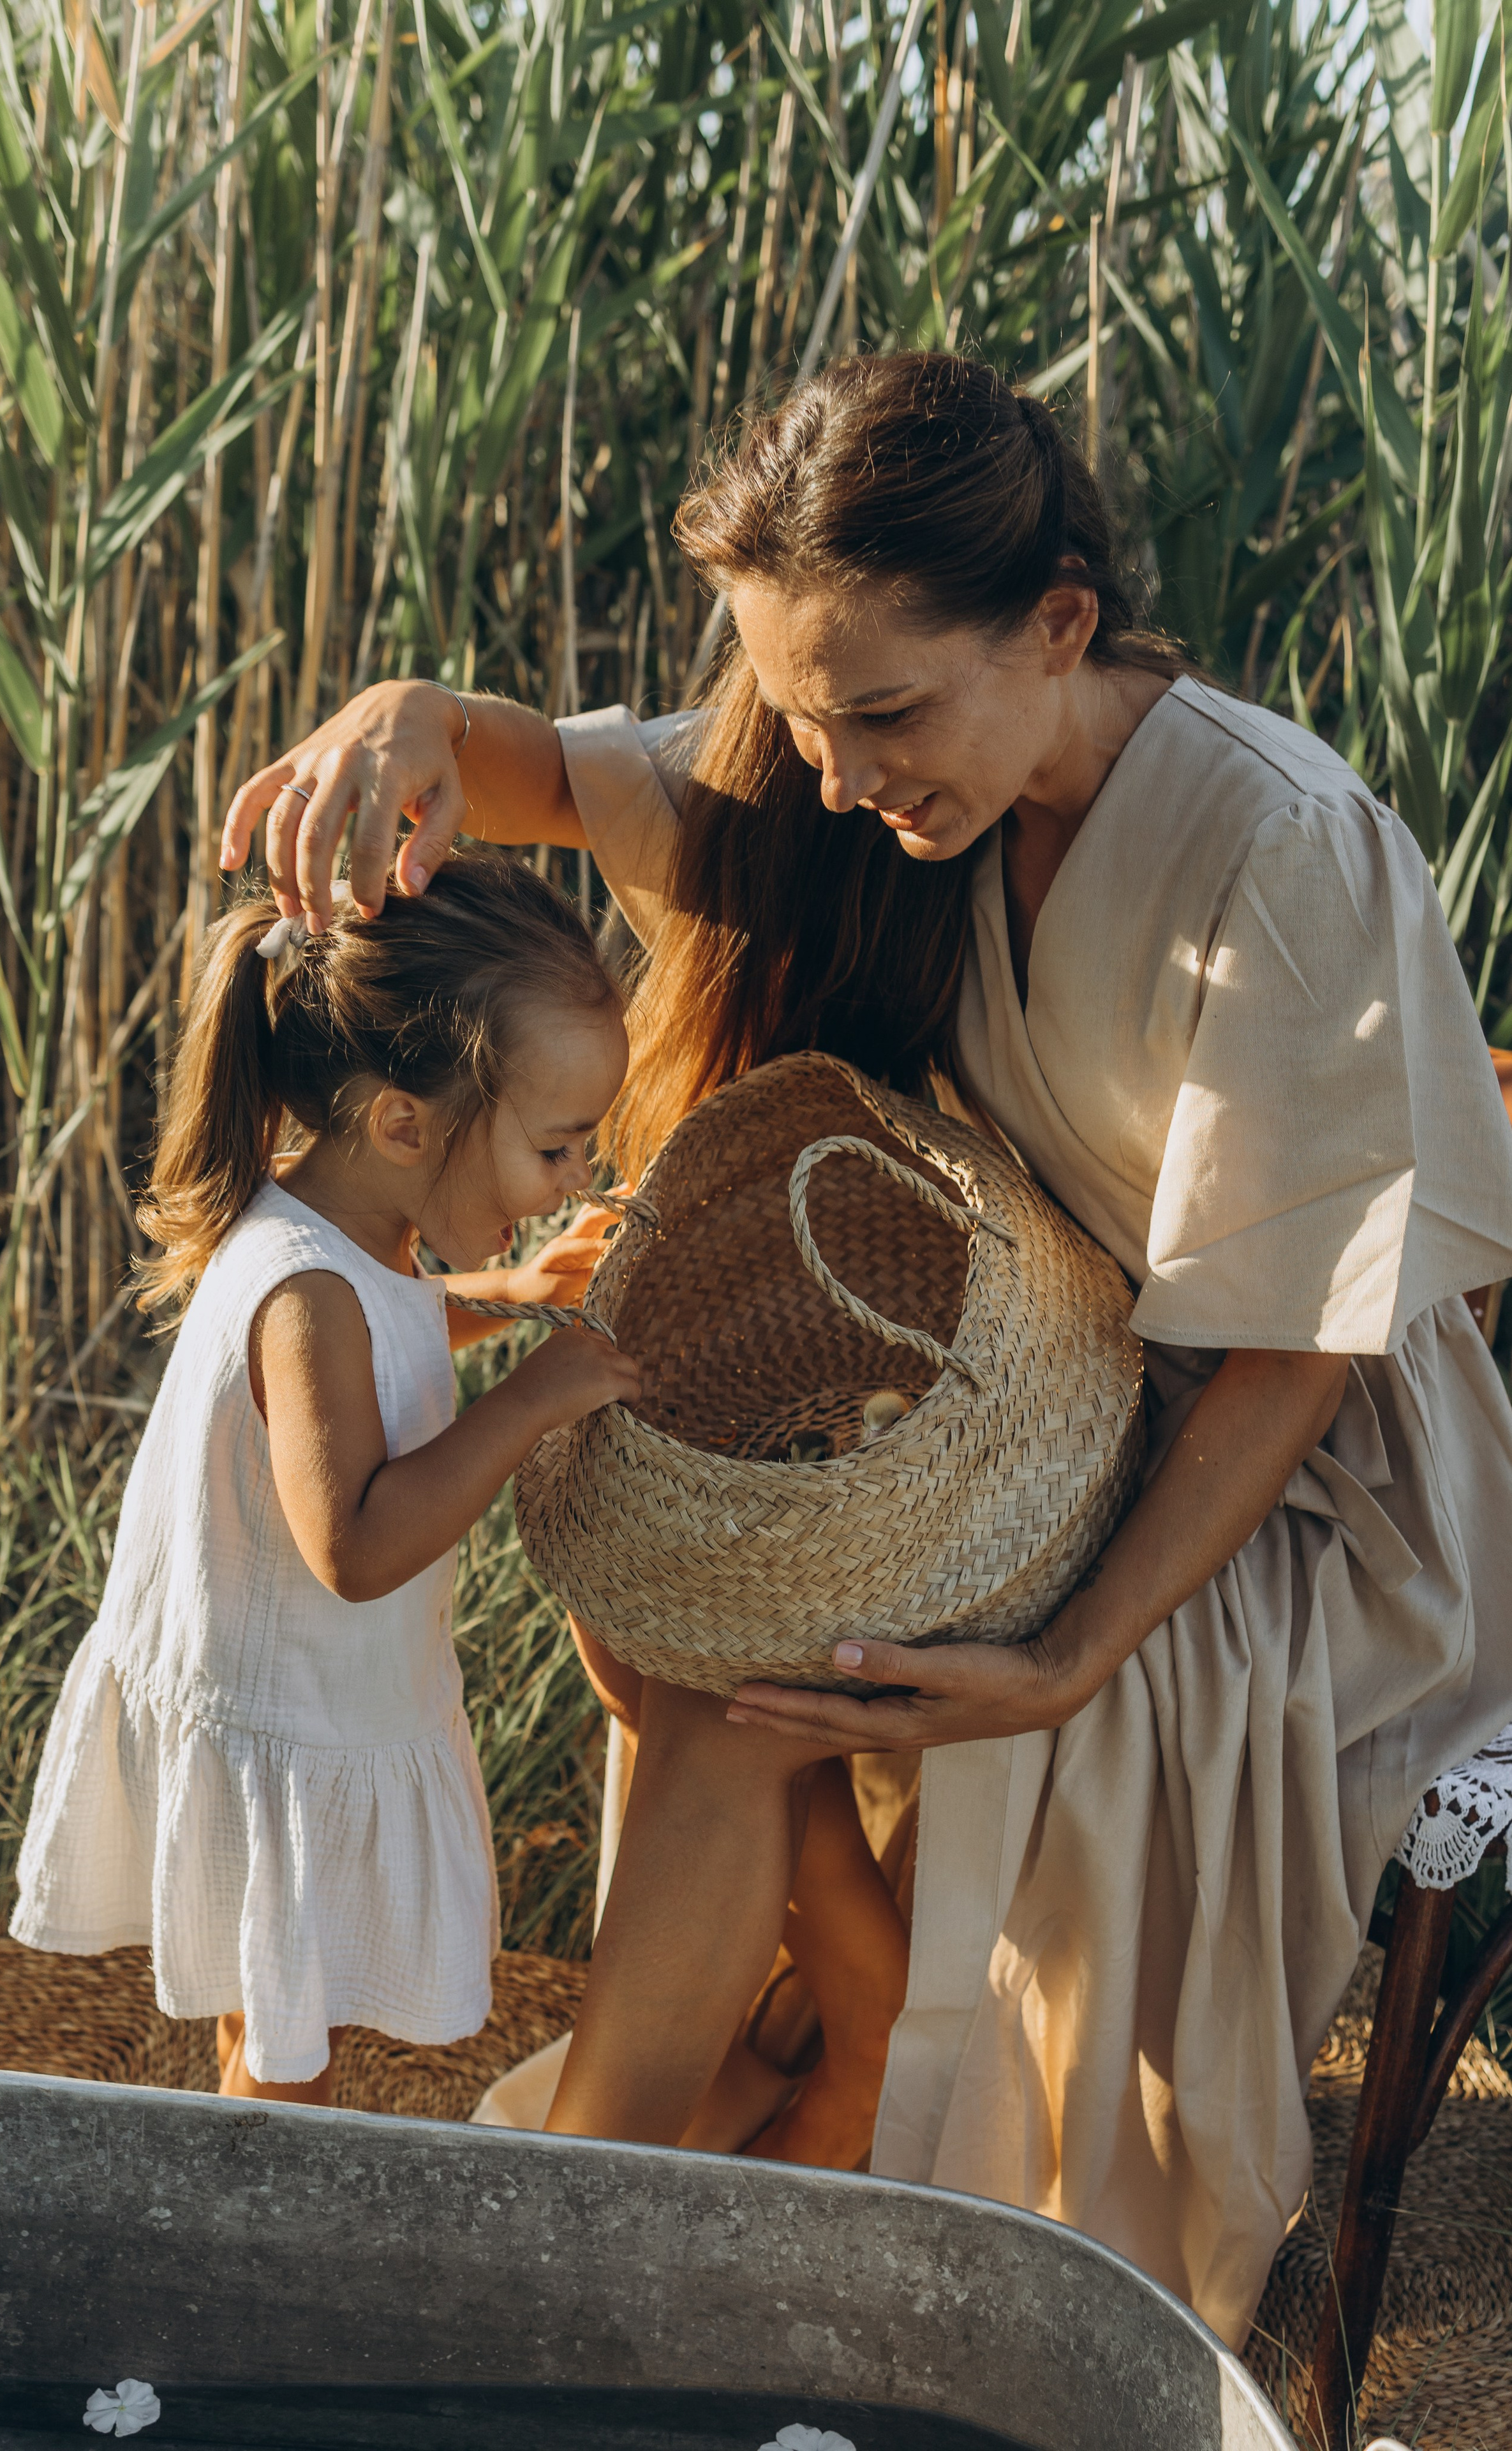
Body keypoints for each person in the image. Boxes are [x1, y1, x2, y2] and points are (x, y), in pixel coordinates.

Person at [220, 353, 1512, 2345]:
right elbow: (537, 776)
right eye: (803, 717)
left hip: (1294, 1504)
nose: (835, 777)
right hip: (1022, 1404)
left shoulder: (1282, 848)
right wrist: (406, 717)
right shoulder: (871, 784)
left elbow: (1294, 1358)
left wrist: (1068, 1662)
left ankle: (601, 2228)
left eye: (884, 715)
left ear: (1062, 622)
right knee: (713, 1630)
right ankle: (700, 2162)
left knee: (766, 1689)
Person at [11, 851, 641, 2103]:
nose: (574, 1179)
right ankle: (251, 2205)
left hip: (290, 1696)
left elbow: (390, 1326)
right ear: (404, 1123)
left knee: (275, 2017)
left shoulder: (349, 1232)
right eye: (557, 1146)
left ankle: (245, 2161)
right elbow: (353, 1545)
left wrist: (502, 1295)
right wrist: (531, 1398)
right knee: (291, 2048)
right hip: (287, 1711)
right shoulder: (304, 1291)